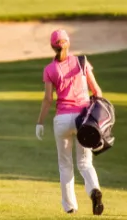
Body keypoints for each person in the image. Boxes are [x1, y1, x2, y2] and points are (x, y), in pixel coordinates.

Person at [33, 29, 107, 215]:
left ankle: (70, 206)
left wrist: (40, 122)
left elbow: (48, 99)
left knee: (65, 165)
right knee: (85, 162)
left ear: (52, 47)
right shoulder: (81, 62)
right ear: (68, 43)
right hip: (83, 119)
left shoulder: (49, 69)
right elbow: (97, 91)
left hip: (62, 120)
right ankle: (94, 190)